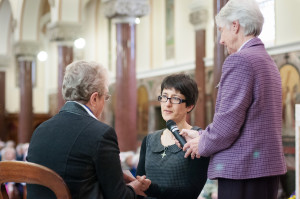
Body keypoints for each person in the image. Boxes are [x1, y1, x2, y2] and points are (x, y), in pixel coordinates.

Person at [179, 0, 287, 199]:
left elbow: (227, 125)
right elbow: (249, 121)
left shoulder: (240, 60)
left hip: (244, 172)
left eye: (222, 30)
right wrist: (203, 135)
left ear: (235, 26)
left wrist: (201, 145)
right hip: (264, 171)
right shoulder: (267, 60)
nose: (221, 40)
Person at [27, 60, 150, 199]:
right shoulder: (100, 133)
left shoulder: (40, 130)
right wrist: (134, 188)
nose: (105, 102)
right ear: (94, 99)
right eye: (106, 97)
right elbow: (119, 197)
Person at [136, 74, 210, 199]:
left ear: (189, 106)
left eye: (175, 98)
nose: (167, 104)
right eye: (164, 97)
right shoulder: (149, 140)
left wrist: (151, 189)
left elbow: (191, 193)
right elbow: (140, 184)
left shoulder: (197, 140)